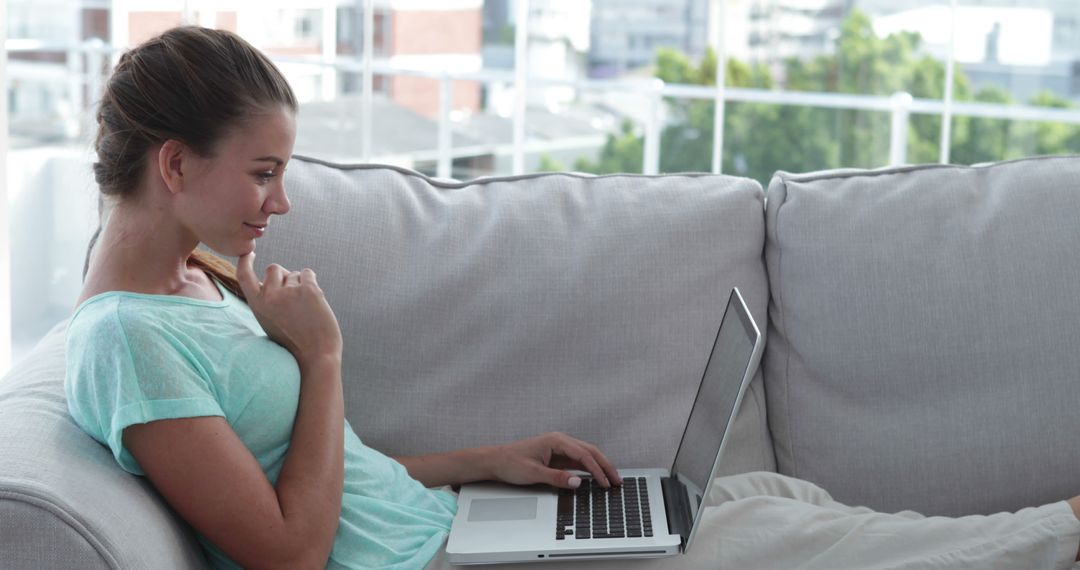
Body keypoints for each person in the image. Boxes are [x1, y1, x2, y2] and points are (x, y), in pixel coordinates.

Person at [65, 26, 1080, 570]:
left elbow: (315, 478)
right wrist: (321, 356)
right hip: (437, 564)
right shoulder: (127, 344)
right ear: (173, 163)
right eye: (262, 173)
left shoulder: (196, 283)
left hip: (448, 529)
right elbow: (288, 550)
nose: (282, 201)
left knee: (765, 502)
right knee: (800, 546)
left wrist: (484, 464)